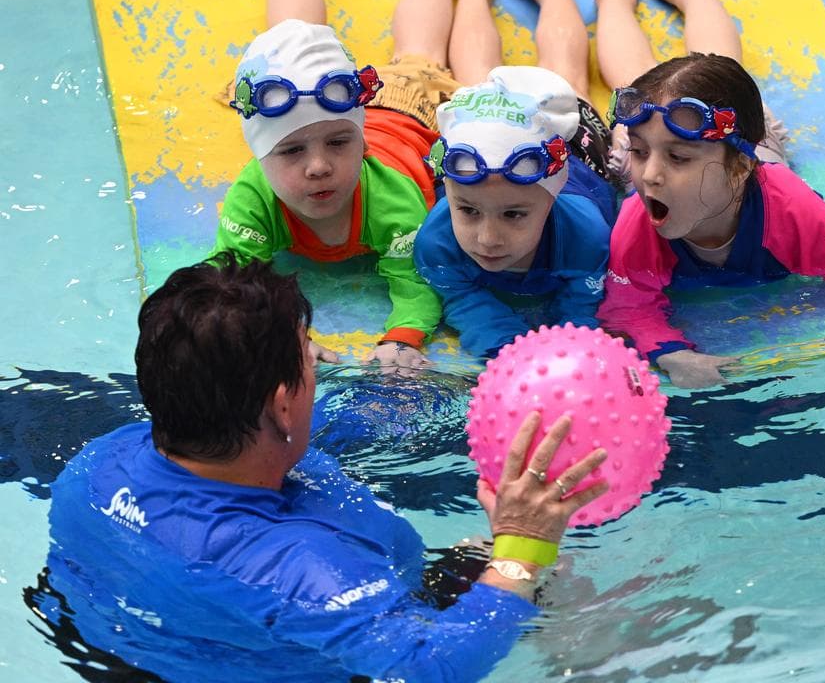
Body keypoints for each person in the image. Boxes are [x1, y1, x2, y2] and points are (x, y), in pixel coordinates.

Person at [45, 253, 609, 682]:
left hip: (135, 643)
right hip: (316, 652)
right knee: (569, 595)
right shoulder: (302, 571)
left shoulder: (101, 459)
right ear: (283, 402)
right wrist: (522, 549)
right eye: (308, 357)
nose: (317, 369)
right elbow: (430, 666)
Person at [589, 0, 825, 388]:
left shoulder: (790, 208)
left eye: (679, 159)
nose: (650, 175)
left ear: (741, 168)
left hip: (758, 142)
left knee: (721, 70)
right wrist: (670, 353)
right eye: (640, 152)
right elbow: (627, 308)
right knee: (637, 82)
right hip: (711, 138)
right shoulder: (639, 216)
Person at [212, 0, 457, 372]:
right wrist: (285, 336)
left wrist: (402, 338)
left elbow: (418, 279)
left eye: (340, 143)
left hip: (403, 108)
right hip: (334, 106)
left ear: (360, 143)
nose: (319, 166)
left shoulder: (391, 199)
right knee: (288, 38)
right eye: (290, 151)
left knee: (421, 55)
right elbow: (232, 280)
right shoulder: (253, 197)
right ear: (261, 155)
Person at [412, 0, 619, 358]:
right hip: (489, 140)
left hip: (575, 152)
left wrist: (569, 351)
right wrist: (509, 350)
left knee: (568, 79)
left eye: (513, 215)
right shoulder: (436, 242)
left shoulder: (588, 236)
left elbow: (582, 313)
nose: (487, 238)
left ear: (551, 199)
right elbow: (464, 302)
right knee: (478, 82)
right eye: (468, 210)